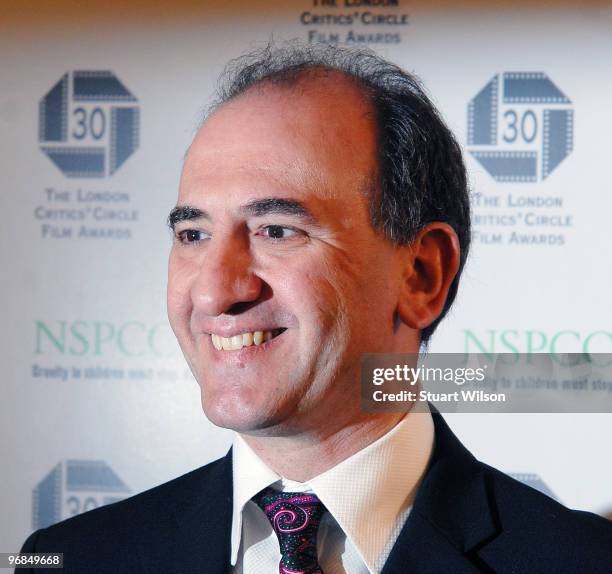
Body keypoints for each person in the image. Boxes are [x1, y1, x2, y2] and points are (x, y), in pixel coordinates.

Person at [19, 43, 612, 573]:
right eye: (193, 234)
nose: (212, 292)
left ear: (422, 274)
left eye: (277, 230)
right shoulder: (73, 558)